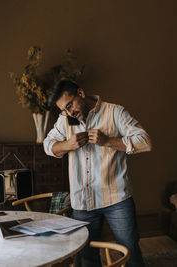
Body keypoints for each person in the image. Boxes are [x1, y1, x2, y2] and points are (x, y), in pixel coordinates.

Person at [43, 80, 151, 267]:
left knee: (130, 252)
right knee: (86, 257)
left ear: (81, 93)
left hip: (117, 199)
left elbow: (145, 142)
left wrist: (108, 141)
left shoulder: (115, 112)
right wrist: (68, 145)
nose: (70, 113)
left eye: (70, 105)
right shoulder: (64, 120)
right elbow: (47, 145)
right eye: (64, 110)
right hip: (83, 202)